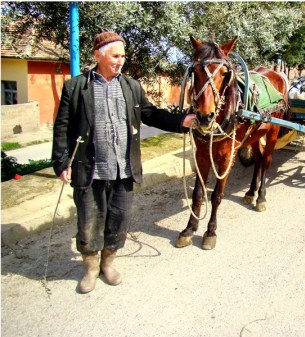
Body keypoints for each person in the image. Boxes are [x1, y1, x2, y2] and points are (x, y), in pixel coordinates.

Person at [52, 31, 197, 293]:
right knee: (88, 221)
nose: (121, 60)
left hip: (124, 168)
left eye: (123, 56)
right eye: (115, 55)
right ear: (98, 55)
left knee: (119, 218)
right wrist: (62, 162)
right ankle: (90, 267)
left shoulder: (130, 86)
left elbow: (150, 114)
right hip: (90, 169)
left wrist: (180, 122)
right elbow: (62, 128)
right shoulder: (75, 87)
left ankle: (108, 262)